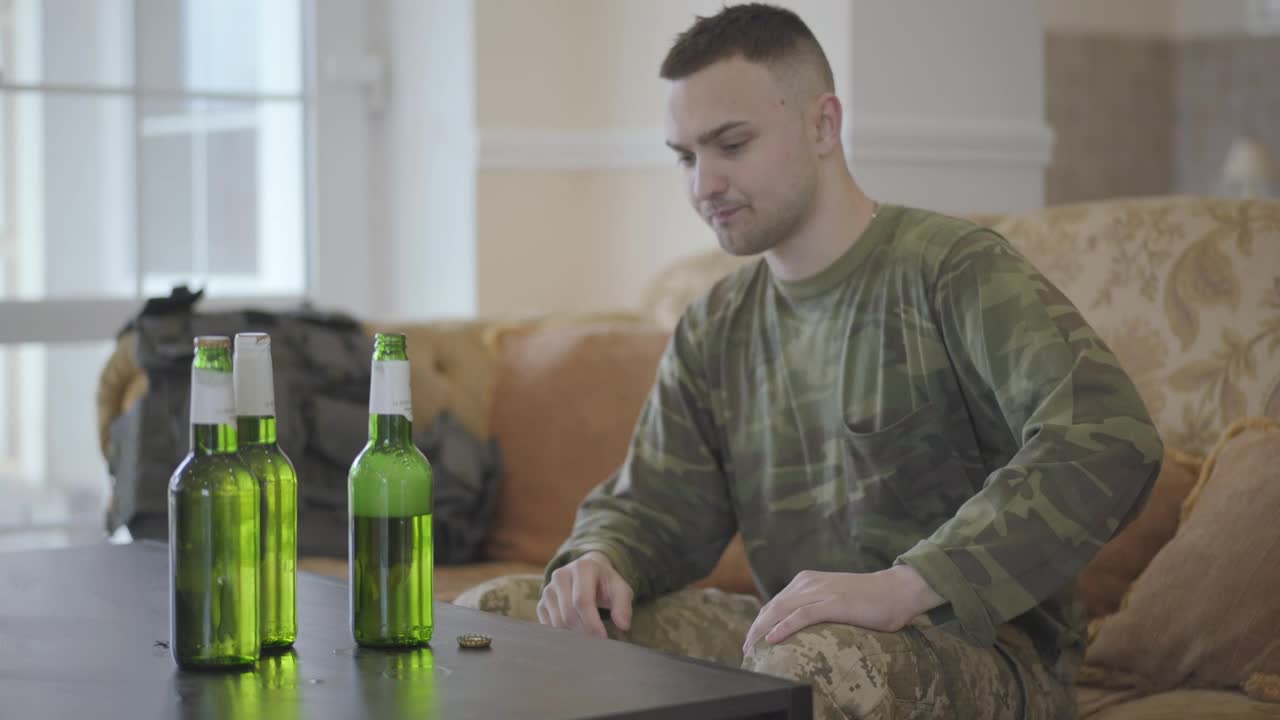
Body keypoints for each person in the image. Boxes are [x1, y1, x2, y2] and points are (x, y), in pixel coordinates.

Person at [456, 4, 1163, 718]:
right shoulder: (715, 325)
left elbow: (1108, 438)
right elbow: (652, 508)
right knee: (499, 618)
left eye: (731, 144)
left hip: (986, 650)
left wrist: (908, 583)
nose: (703, 184)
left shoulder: (952, 270)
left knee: (812, 659)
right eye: (686, 156)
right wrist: (598, 560)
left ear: (823, 124)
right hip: (795, 641)